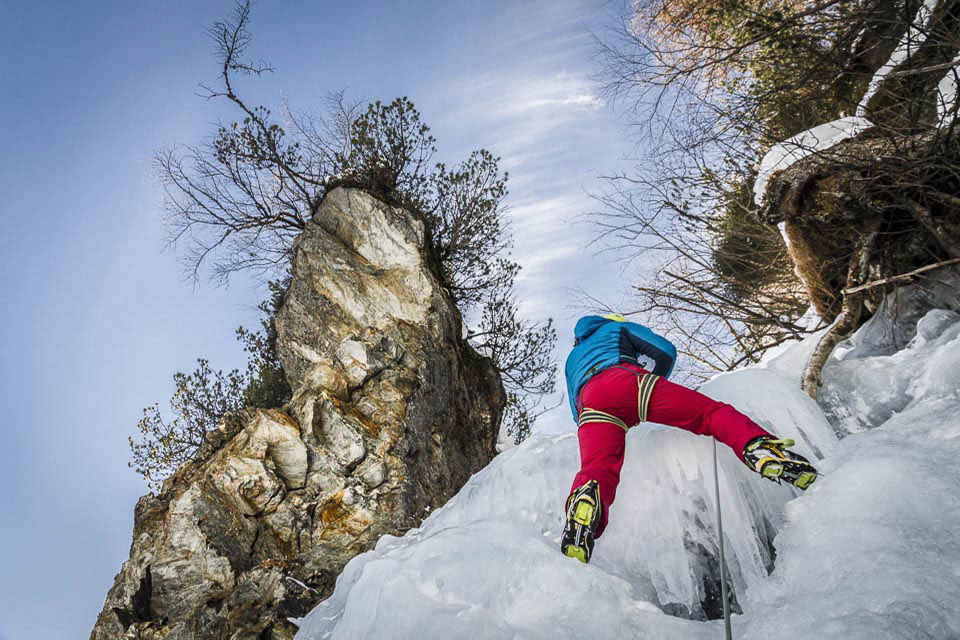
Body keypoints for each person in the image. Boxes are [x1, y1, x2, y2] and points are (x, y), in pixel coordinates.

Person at [560, 314, 819, 564]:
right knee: (710, 414)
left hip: (590, 405)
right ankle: (761, 449)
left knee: (597, 467)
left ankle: (583, 509)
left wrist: (612, 419)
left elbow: (575, 411)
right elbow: (664, 351)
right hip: (630, 382)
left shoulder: (571, 360)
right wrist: (653, 388)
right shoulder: (615, 329)